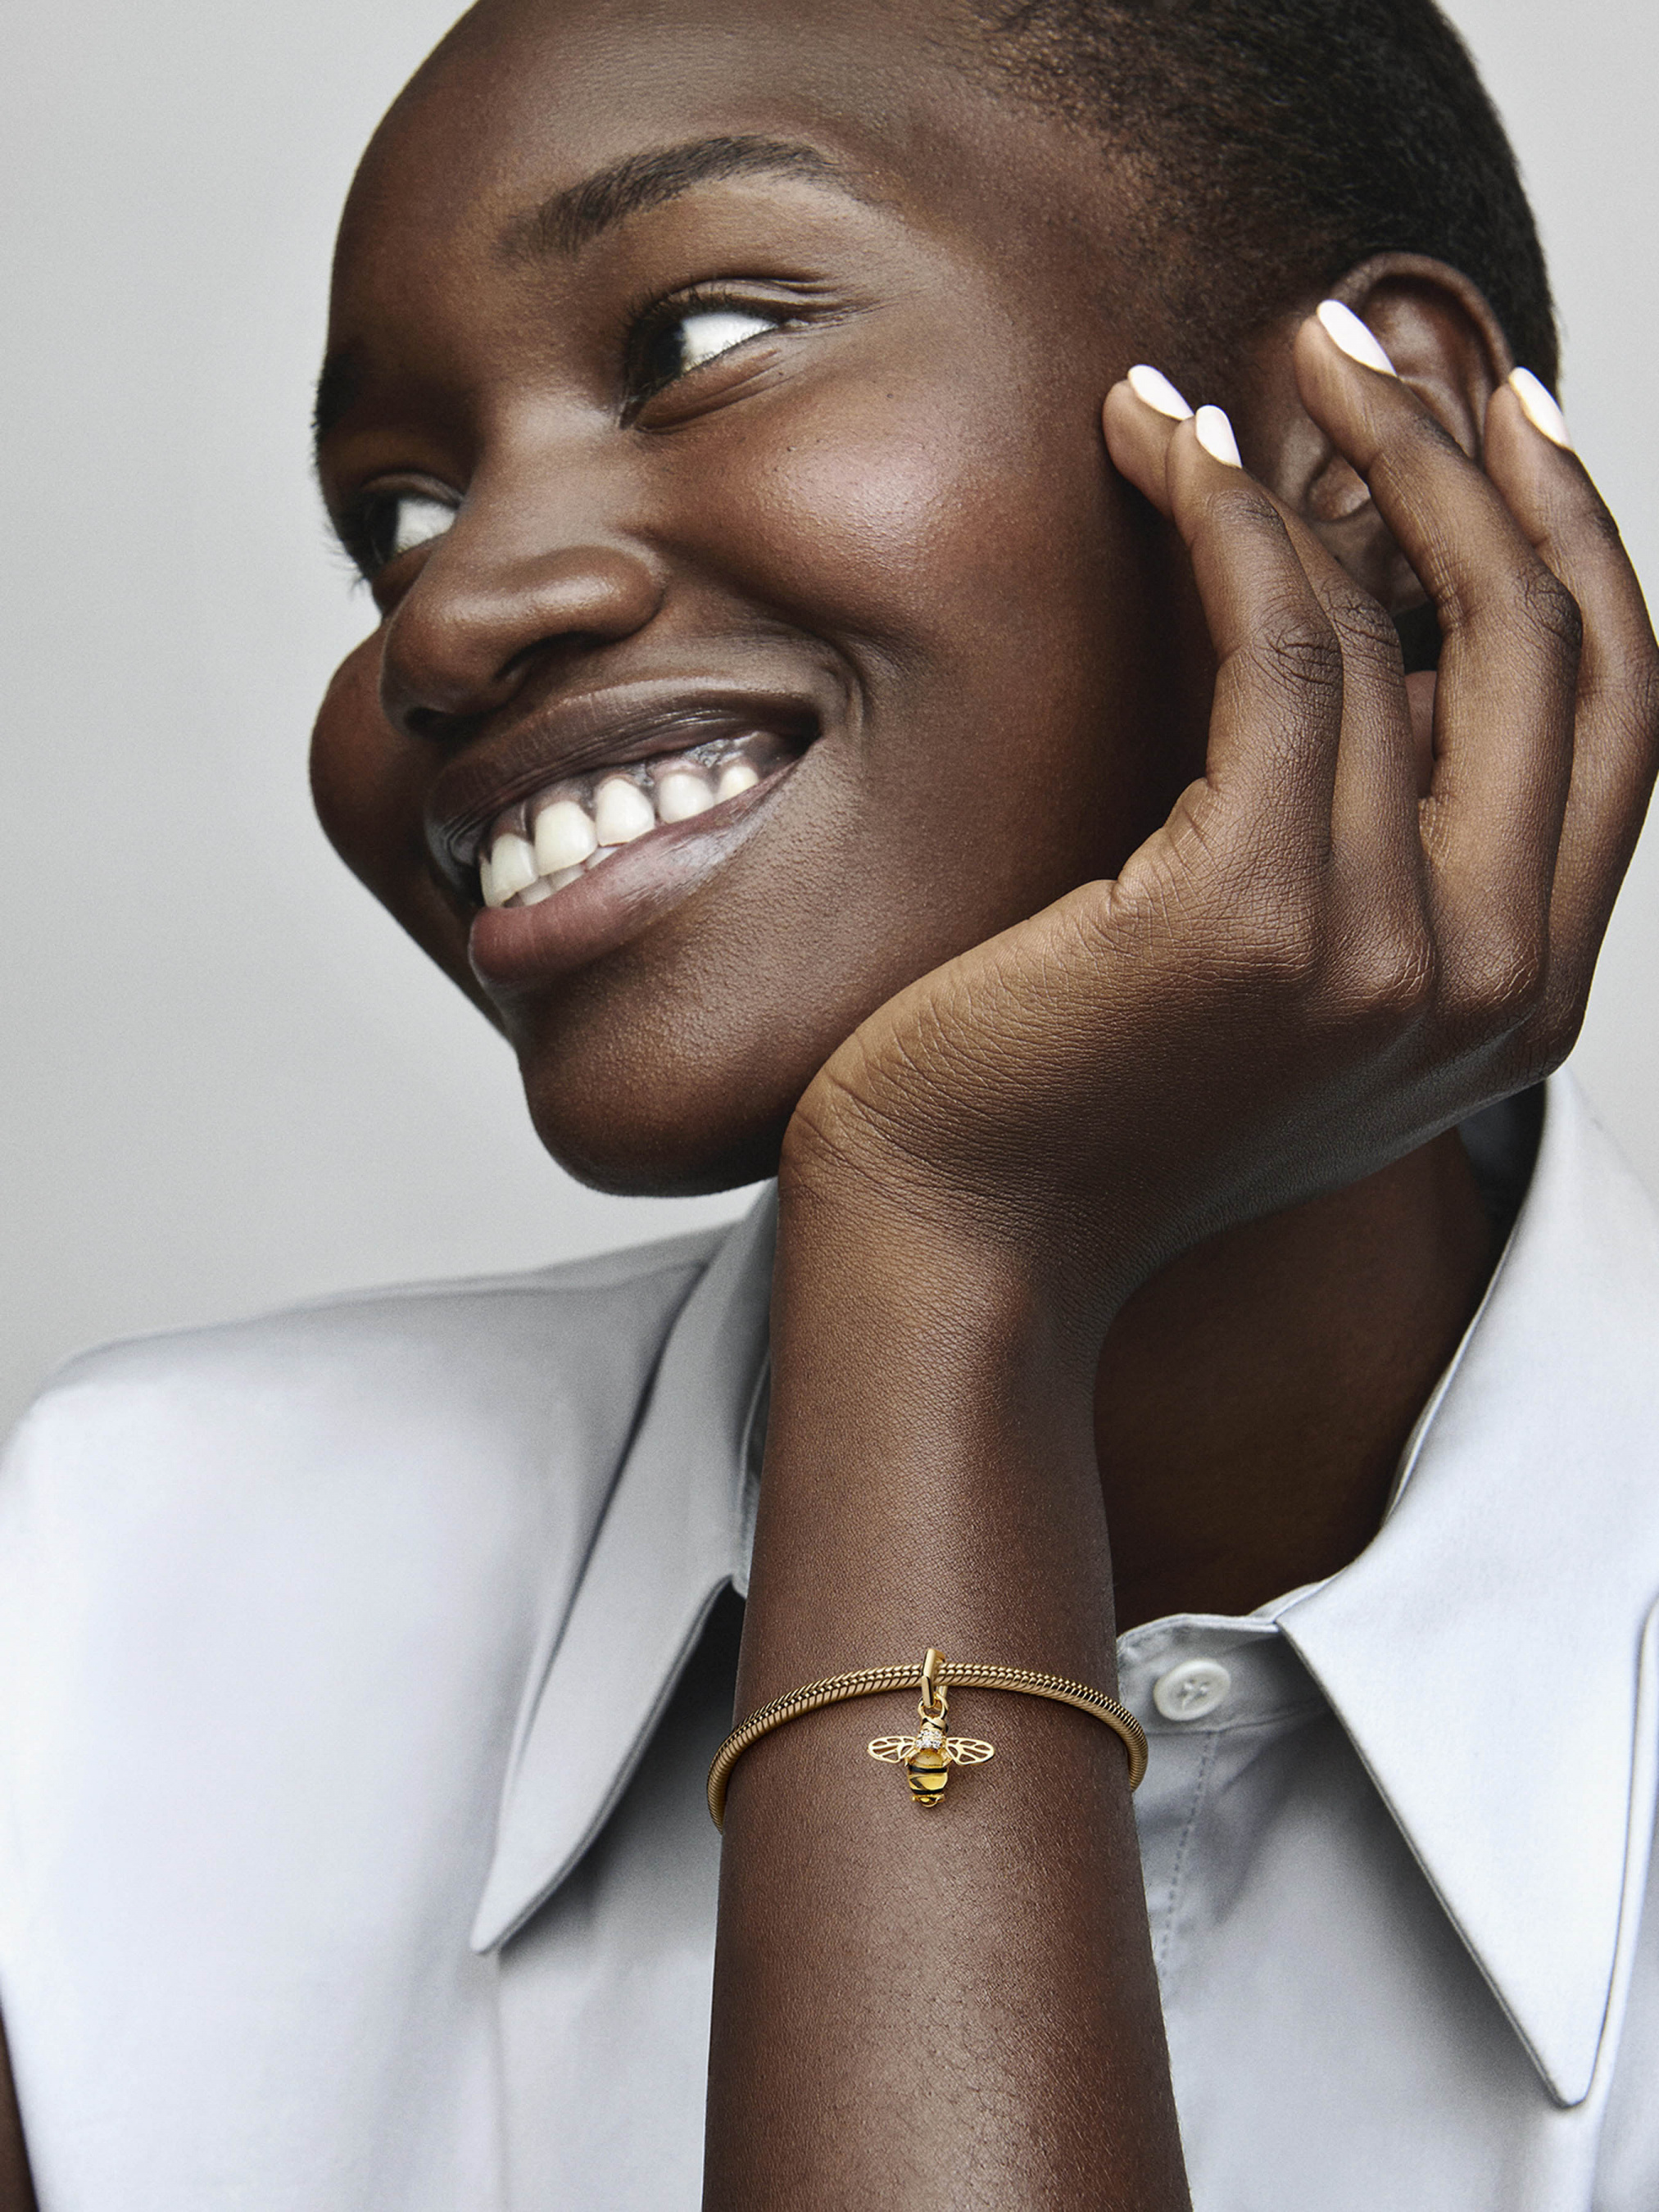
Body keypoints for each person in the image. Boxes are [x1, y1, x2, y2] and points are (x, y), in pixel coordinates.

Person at [2, 0, 1657, 2204]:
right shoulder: (123, 1608)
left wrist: (948, 1250)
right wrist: (940, 1260)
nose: (448, 620)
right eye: (397, 514)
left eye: (697, 342)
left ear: (1364, 431)